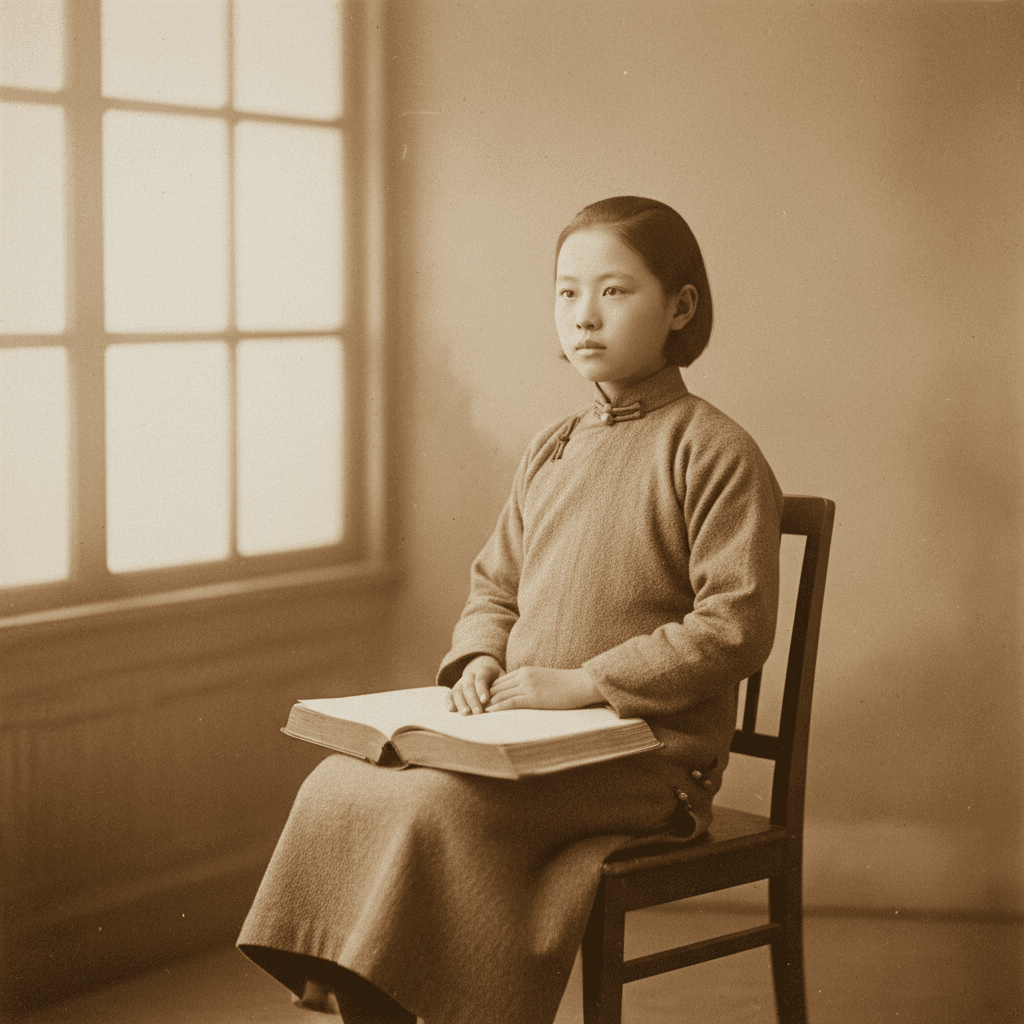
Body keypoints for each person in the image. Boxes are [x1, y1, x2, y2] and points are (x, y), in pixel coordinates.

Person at [237, 196, 783, 1024]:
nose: (585, 317)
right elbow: (494, 586)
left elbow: (732, 627)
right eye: (567, 294)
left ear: (680, 306)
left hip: (645, 756)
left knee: (434, 806)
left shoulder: (712, 450)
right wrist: (479, 661)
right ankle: (371, 1007)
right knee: (340, 786)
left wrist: (586, 684)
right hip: (527, 741)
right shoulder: (553, 446)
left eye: (615, 292)